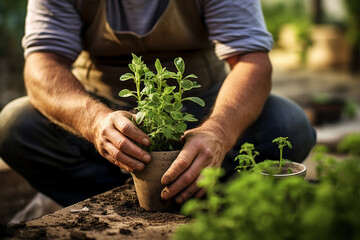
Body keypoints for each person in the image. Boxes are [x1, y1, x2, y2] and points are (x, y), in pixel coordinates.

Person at [0, 0, 315, 207]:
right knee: (15, 126)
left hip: (203, 105)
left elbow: (251, 60)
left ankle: (200, 193)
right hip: (101, 103)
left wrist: (220, 131)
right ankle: (123, 200)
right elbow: (43, 62)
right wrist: (94, 123)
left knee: (289, 125)